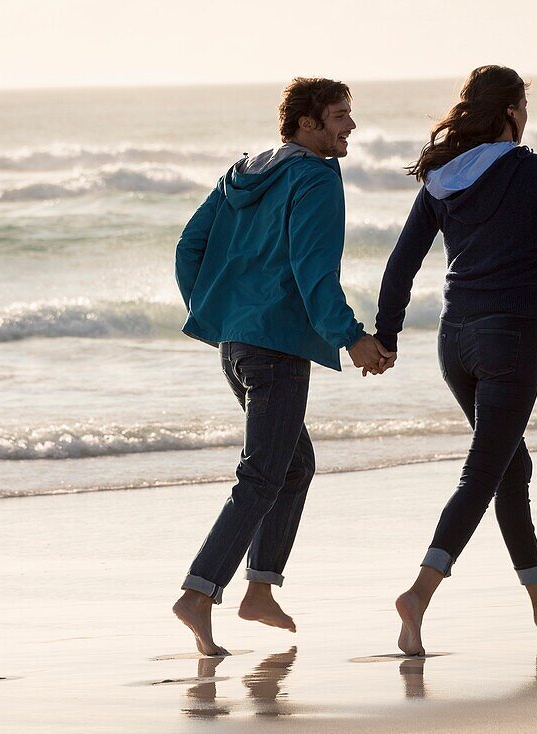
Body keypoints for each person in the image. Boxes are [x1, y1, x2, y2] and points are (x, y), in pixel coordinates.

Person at [373, 65, 537, 656]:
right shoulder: (536, 171)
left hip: (454, 343)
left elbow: (401, 264)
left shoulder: (442, 178)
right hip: (509, 341)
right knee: (483, 473)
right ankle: (418, 594)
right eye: (525, 108)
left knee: (511, 466)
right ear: (511, 111)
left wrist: (386, 335)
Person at [172, 77, 394, 656]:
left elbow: (188, 248)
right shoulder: (315, 178)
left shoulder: (243, 172)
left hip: (238, 345)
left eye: (350, 113)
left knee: (292, 467)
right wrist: (352, 338)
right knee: (263, 475)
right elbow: (312, 269)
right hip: (276, 352)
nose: (350, 126)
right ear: (307, 123)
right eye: (340, 115)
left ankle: (261, 589)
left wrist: (217, 310)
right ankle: (199, 593)